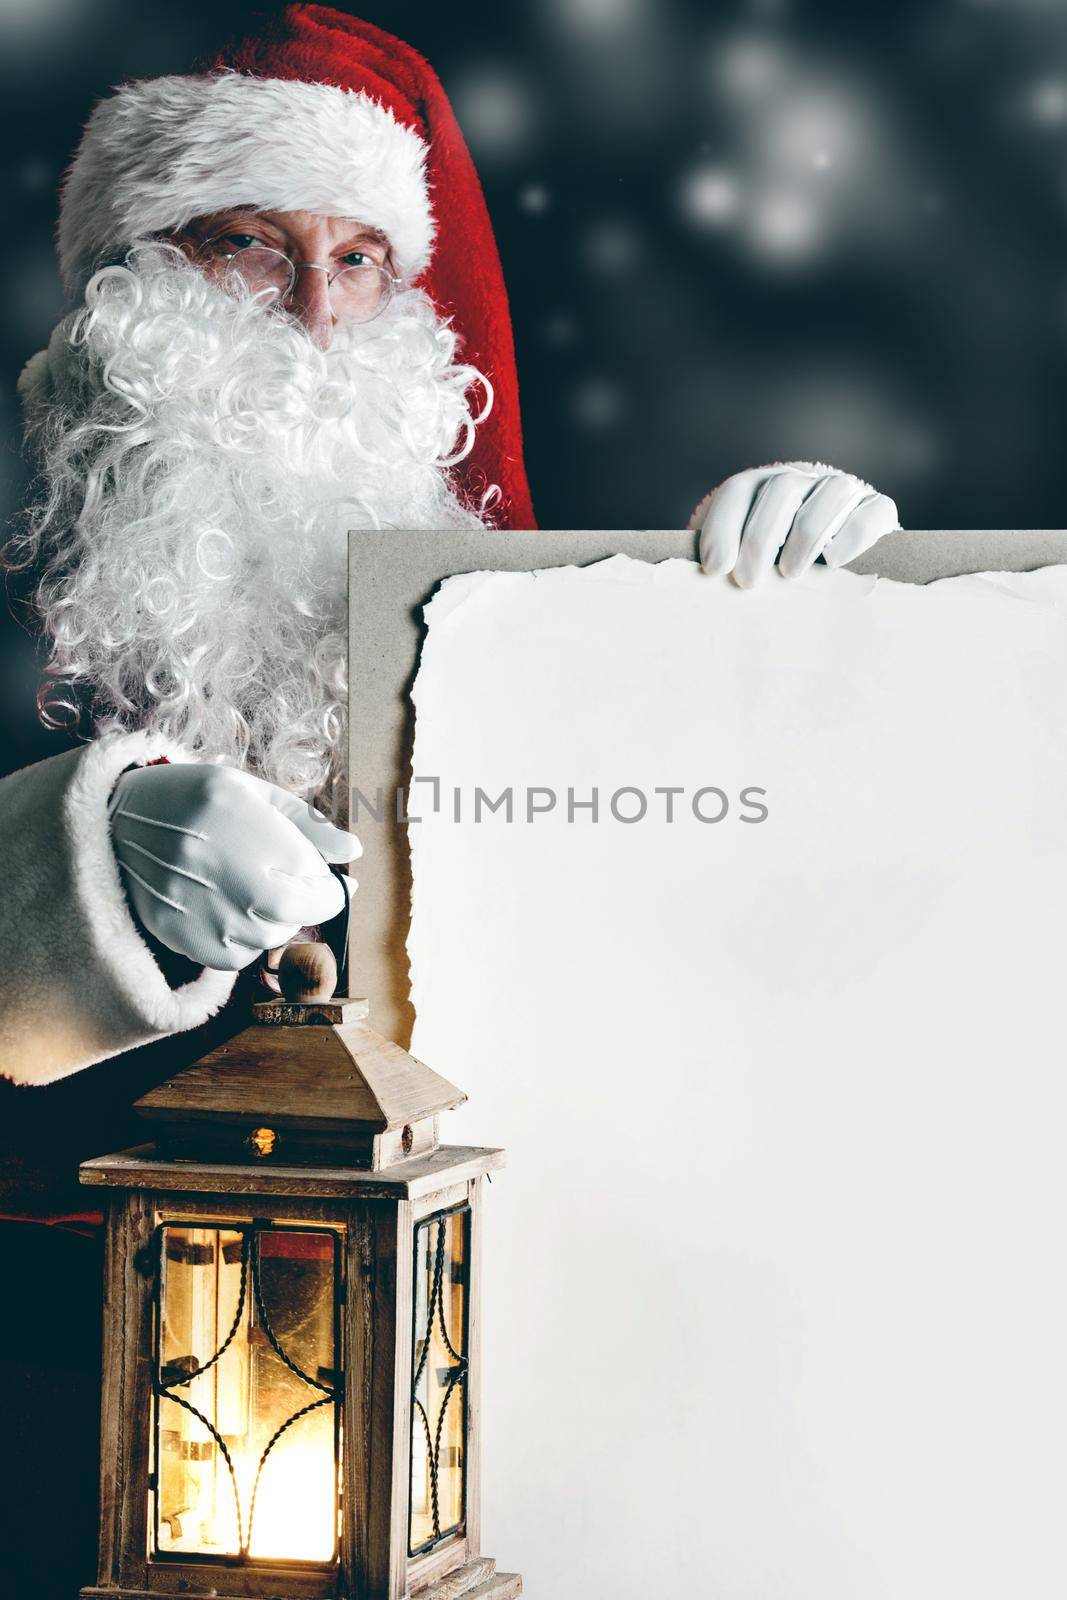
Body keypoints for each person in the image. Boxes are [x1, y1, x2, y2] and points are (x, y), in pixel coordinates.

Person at [0, 11, 900, 1591]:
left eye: (360, 261)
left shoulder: (473, 588)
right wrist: (68, 865)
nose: (321, 315)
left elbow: (736, 916)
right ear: (134, 277)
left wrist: (800, 628)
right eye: (251, 249)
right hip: (62, 1380)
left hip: (470, 1375)